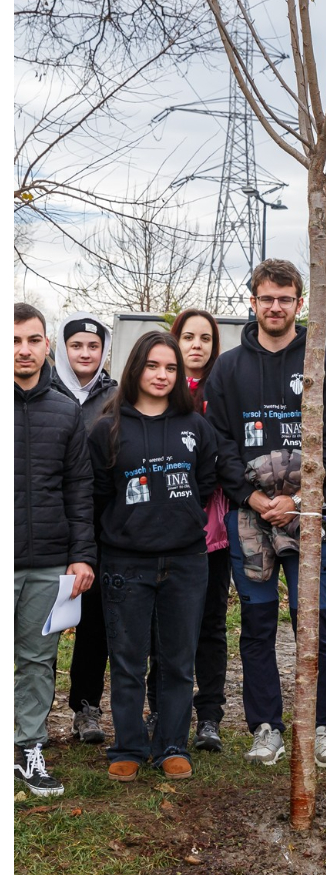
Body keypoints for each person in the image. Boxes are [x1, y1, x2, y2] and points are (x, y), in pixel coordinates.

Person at [200, 259, 326, 770]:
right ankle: (265, 726)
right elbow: (218, 442)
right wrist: (252, 497)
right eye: (266, 298)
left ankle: (321, 725)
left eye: (285, 299)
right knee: (258, 625)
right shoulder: (228, 368)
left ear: (300, 303)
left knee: (313, 623)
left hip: (307, 515)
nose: (275, 307)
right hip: (252, 518)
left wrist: (300, 496)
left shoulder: (323, 362)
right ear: (252, 301)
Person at [89, 332, 228, 782]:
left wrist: (177, 518)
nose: (162, 375)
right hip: (125, 563)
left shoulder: (196, 427)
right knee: (128, 658)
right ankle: (127, 744)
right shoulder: (108, 428)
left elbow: (205, 483)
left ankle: (171, 743)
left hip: (186, 561)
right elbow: (100, 494)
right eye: (153, 366)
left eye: (170, 368)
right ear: (136, 369)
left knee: (177, 659)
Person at [14, 304, 95, 797]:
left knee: (36, 660)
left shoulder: (66, 412)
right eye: (14, 340)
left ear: (48, 347)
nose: (23, 350)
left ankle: (28, 749)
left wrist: (82, 555)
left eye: (32, 340)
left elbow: (79, 490)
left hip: (47, 564)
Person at [166, 309, 235, 751]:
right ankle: (163, 710)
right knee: (167, 627)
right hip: (165, 529)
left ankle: (208, 715)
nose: (196, 345)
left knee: (211, 625)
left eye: (205, 338)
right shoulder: (158, 392)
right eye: (188, 336)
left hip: (214, 530)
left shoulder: (222, 392)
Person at [53, 314, 116, 746]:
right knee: (36, 617)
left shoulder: (115, 397)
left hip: (95, 520)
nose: (85, 354)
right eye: (76, 345)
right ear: (62, 348)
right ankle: (26, 711)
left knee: (93, 619)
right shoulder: (41, 389)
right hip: (42, 517)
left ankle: (85, 708)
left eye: (93, 347)